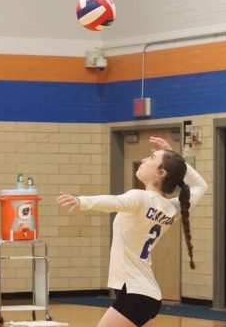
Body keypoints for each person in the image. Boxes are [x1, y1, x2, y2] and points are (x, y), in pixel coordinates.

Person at [57, 137, 208, 327]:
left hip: (135, 294)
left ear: (161, 173)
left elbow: (114, 201)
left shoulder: (141, 197)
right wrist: (174, 156)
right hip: (147, 295)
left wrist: (82, 201)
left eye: (151, 158)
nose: (144, 160)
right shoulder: (172, 208)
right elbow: (201, 185)